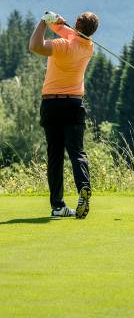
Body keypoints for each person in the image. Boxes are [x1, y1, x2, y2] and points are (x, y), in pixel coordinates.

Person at [29, 11, 99, 219]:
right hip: (74, 103)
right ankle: (83, 187)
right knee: (77, 152)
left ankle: (58, 206)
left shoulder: (61, 45)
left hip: (51, 103)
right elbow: (72, 34)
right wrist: (58, 24)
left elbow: (34, 46)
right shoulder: (88, 47)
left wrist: (43, 22)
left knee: (55, 155)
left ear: (77, 24)